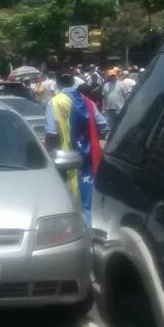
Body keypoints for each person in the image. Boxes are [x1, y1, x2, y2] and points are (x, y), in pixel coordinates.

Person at [45, 73, 109, 225]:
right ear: (73, 82)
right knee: (88, 194)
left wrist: (48, 155)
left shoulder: (54, 103)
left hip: (65, 160)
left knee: (70, 199)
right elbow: (104, 126)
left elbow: (51, 133)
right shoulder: (88, 102)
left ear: (57, 84)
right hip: (89, 156)